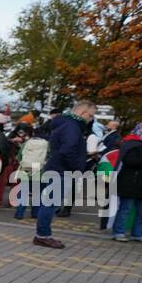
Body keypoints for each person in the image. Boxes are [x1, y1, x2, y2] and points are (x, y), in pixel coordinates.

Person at [35, 99, 95, 247]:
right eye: (91, 115)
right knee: (50, 204)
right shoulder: (72, 127)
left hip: (57, 168)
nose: (91, 119)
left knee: (49, 203)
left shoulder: (65, 124)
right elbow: (67, 150)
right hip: (61, 170)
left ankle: (42, 234)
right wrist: (76, 167)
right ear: (83, 112)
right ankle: (43, 235)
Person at [110, 128, 142, 242]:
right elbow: (131, 161)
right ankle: (119, 232)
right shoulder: (130, 145)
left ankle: (138, 234)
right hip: (131, 182)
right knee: (125, 209)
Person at [0, 124, 29, 208]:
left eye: (23, 132)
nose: (21, 133)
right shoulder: (11, 136)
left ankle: (11, 201)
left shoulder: (28, 139)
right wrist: (13, 140)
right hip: (9, 161)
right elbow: (4, 143)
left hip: (17, 162)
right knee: (2, 181)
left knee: (14, 182)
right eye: (20, 131)